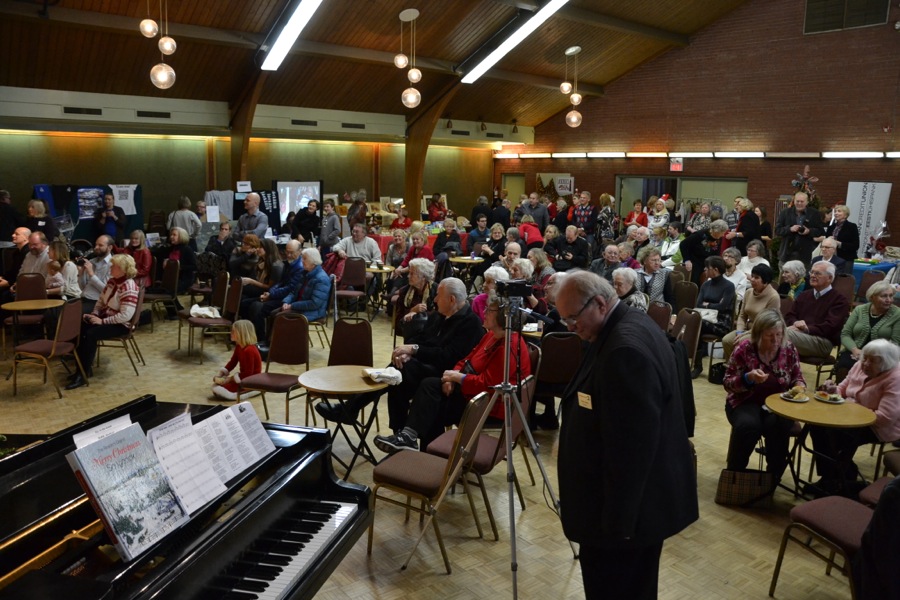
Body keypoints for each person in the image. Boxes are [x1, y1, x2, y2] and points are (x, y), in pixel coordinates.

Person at [554, 271, 697, 600]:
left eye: (573, 318)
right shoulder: (628, 322)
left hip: (623, 522)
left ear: (600, 303)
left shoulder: (624, 352)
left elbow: (631, 452)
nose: (570, 327)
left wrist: (618, 527)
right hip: (626, 513)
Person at [316, 278, 483, 433]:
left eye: (439, 295)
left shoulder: (471, 324)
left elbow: (448, 356)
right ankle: (396, 431)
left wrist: (414, 351)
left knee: (398, 372)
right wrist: (408, 353)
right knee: (398, 375)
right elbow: (421, 338)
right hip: (426, 366)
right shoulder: (439, 315)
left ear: (452, 300)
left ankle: (353, 410)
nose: (435, 299)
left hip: (446, 375)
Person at [373, 292, 532, 453]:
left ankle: (420, 450)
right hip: (470, 391)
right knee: (426, 386)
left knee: (430, 403)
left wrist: (458, 378)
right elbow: (466, 359)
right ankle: (413, 442)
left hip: (487, 405)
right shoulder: (492, 335)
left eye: (489, 310)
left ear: (503, 317)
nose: (484, 312)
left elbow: (487, 385)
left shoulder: (508, 347)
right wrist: (452, 377)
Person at [723, 309, 804, 481]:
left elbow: (798, 377)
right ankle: (734, 476)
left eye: (779, 334)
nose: (776, 340)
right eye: (769, 336)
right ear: (759, 334)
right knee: (748, 426)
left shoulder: (788, 349)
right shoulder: (744, 349)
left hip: (778, 404)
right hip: (744, 401)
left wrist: (799, 387)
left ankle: (772, 479)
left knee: (779, 426)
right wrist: (748, 378)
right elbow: (728, 382)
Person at [811, 339, 900, 495]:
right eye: (865, 358)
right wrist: (833, 390)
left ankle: (833, 482)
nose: (865, 363)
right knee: (816, 425)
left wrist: (849, 411)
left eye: (872, 361)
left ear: (886, 363)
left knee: (839, 437)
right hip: (848, 416)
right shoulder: (860, 365)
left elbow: (885, 418)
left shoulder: (895, 378)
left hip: (877, 426)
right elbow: (843, 388)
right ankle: (836, 479)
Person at [66, 254, 140, 390]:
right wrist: (93, 315)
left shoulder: (129, 286)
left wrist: (102, 321)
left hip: (121, 324)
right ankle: (82, 369)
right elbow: (100, 301)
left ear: (122, 269)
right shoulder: (112, 281)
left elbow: (126, 316)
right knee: (79, 328)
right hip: (106, 318)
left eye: (114, 266)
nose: (110, 268)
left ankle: (82, 374)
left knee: (90, 334)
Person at [784, 261, 850, 359]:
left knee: (780, 334)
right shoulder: (804, 295)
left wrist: (806, 329)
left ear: (830, 278)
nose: (812, 276)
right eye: (812, 272)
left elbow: (831, 326)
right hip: (798, 335)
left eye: (818, 273)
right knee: (767, 330)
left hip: (822, 342)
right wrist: (796, 322)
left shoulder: (839, 300)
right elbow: (790, 315)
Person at [837, 281, 900, 381]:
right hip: (855, 352)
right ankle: (842, 390)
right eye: (884, 296)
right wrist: (855, 350)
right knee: (844, 366)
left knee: (873, 372)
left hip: (882, 356)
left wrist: (871, 356)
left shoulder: (897, 314)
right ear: (872, 297)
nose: (889, 300)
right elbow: (845, 334)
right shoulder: (859, 310)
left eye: (891, 296)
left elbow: (895, 343)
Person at [247, 240, 304, 343]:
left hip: (289, 299)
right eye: (287, 252)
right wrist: (271, 292)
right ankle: (255, 337)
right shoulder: (288, 263)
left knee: (258, 307)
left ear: (299, 251)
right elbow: (280, 282)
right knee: (251, 304)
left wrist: (271, 294)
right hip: (281, 295)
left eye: (291, 252)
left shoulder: (299, 267)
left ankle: (262, 340)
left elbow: (290, 288)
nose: (288, 255)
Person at [722, 264, 780, 359]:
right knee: (726, 340)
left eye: (756, 278)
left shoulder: (774, 297)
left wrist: (743, 335)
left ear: (765, 281)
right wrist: (739, 331)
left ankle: (745, 366)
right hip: (746, 328)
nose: (752, 279)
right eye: (752, 276)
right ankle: (732, 365)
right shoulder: (749, 292)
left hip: (762, 332)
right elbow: (742, 316)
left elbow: (768, 323)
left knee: (741, 342)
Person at [693, 256, 736, 377]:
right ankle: (693, 362)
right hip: (705, 319)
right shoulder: (706, 284)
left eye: (707, 268)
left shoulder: (729, 286)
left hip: (721, 322)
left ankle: (696, 365)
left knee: (697, 324)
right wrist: (714, 305)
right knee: (693, 322)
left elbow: (723, 306)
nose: (705, 270)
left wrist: (707, 304)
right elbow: (698, 304)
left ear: (716, 269)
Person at [211, 320, 262, 401]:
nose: (230, 333)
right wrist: (222, 374)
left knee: (221, 389)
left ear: (241, 333)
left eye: (233, 331)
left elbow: (249, 373)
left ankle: (251, 389)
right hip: (243, 378)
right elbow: (233, 362)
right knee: (218, 387)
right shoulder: (239, 347)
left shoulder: (249, 350)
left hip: (251, 380)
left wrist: (231, 379)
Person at [279, 248, 331, 323]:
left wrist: (292, 305)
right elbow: (293, 292)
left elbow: (314, 304)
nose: (302, 261)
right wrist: (286, 302)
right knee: (274, 313)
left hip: (313, 312)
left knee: (279, 318)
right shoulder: (304, 273)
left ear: (313, 261)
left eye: (305, 259)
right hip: (299, 307)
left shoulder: (322, 279)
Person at [775, 191, 824, 268]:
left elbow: (820, 231)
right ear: (794, 201)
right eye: (797, 201)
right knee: (785, 274)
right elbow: (777, 230)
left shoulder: (814, 213)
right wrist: (790, 229)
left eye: (802, 201)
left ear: (807, 202)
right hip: (787, 253)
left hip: (805, 254)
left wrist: (809, 231)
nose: (799, 203)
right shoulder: (785, 213)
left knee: (803, 275)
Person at [395, 258, 438, 340]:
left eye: (412, 274)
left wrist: (420, 314)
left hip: (430, 335)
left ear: (423, 277)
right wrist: (412, 311)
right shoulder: (404, 291)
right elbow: (398, 321)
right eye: (409, 273)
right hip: (409, 332)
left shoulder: (436, 291)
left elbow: (439, 316)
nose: (408, 276)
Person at [239, 238, 284, 316]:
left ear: (267, 249)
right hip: (260, 289)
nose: (257, 249)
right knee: (240, 291)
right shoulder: (262, 261)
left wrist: (251, 281)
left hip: (268, 293)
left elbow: (270, 287)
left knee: (244, 299)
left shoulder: (276, 266)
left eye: (260, 247)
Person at [678, 219, 728, 285]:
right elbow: (683, 244)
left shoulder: (719, 238)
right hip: (695, 262)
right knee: (694, 283)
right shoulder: (700, 234)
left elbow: (716, 253)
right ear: (716, 231)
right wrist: (687, 260)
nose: (723, 235)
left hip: (707, 263)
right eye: (722, 233)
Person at [77, 234, 113, 313]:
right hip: (83, 298)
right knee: (56, 310)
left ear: (110, 247)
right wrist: (81, 274)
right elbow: (82, 287)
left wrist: (92, 274)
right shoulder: (91, 261)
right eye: (96, 244)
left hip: (97, 302)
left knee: (65, 313)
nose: (96, 247)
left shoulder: (113, 265)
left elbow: (106, 290)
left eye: (100, 245)